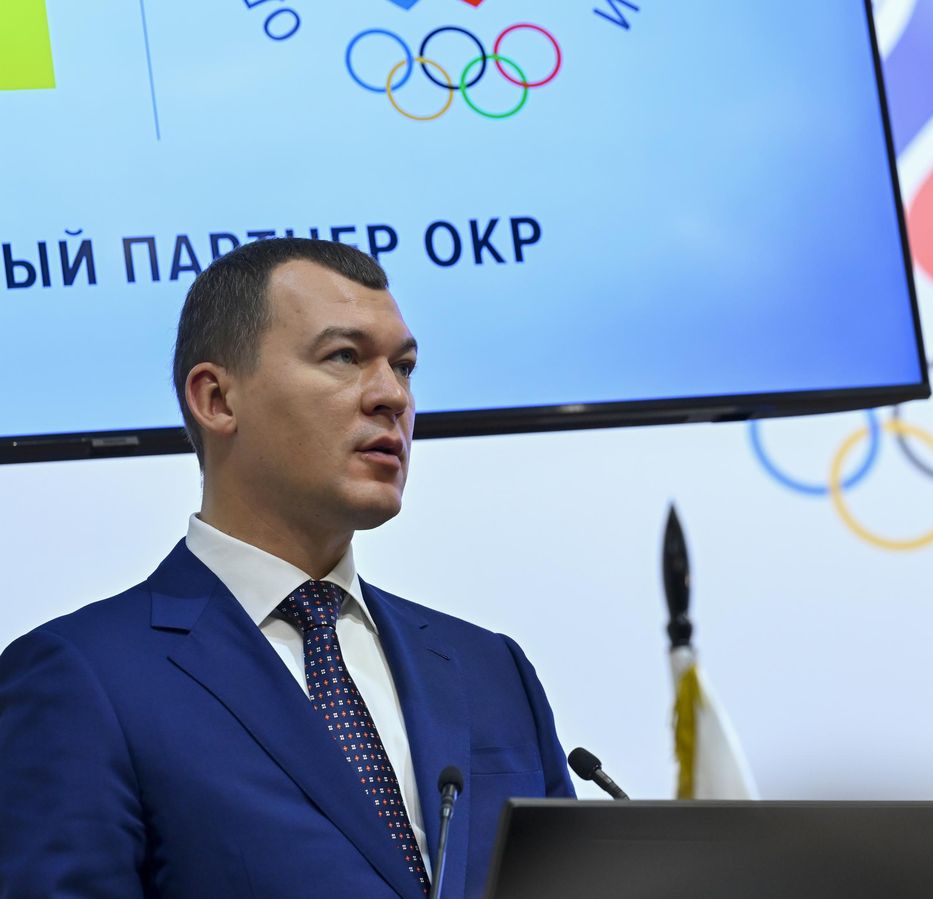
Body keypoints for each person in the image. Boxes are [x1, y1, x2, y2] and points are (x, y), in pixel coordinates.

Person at [0, 238, 574, 898]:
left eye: (405, 367)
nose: (392, 395)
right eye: (345, 356)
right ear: (217, 398)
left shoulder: (492, 670)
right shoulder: (83, 678)